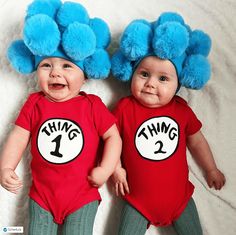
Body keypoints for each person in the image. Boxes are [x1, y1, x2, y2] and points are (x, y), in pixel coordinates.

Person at [0, 1, 121, 234]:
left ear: (84, 76)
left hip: (82, 196)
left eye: (67, 66)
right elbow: (19, 136)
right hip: (42, 196)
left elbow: (113, 137)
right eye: (46, 65)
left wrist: (106, 169)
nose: (55, 72)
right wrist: (6, 167)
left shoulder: (91, 105)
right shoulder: (35, 103)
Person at [111, 12, 226, 235]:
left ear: (177, 84)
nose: (151, 84)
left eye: (163, 79)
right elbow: (111, 140)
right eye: (144, 74)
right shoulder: (125, 108)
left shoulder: (180, 109)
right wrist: (116, 169)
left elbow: (197, 142)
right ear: (132, 74)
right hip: (137, 201)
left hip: (179, 199)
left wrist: (210, 168)